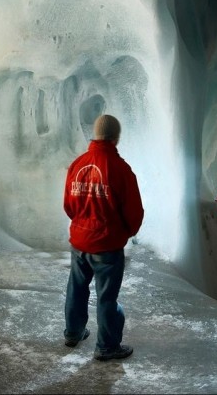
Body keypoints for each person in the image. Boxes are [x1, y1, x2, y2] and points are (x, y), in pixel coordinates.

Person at [63, 114, 144, 361]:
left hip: (79, 242)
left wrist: (81, 224)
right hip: (107, 246)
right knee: (107, 297)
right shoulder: (121, 170)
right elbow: (134, 212)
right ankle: (107, 346)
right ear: (116, 137)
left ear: (96, 135)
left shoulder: (78, 164)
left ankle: (73, 333)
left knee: (76, 289)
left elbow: (68, 205)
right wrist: (125, 233)